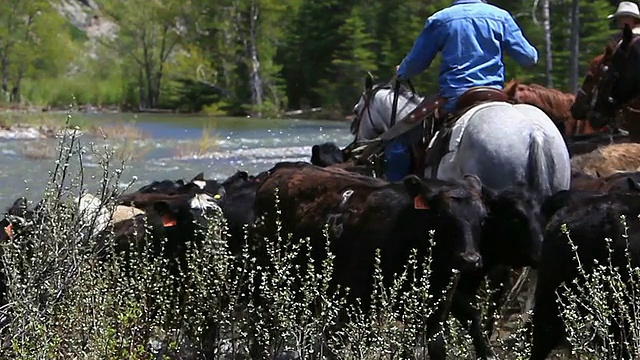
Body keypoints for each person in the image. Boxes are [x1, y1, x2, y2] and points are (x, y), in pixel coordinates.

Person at [395, 0, 539, 114]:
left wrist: (401, 72)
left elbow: (417, 62)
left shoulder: (440, 20)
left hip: (455, 96)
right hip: (494, 93)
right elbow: (529, 58)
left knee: (408, 136)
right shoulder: (501, 17)